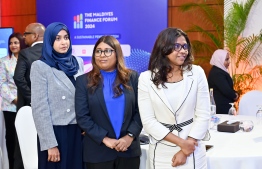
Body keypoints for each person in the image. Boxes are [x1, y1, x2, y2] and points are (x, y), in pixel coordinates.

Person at [138, 27, 210, 169]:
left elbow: (203, 114)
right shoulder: (146, 78)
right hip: (161, 151)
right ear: (164, 48)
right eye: (177, 46)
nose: (183, 51)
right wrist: (181, 144)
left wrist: (186, 148)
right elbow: (148, 122)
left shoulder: (197, 73)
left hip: (192, 149)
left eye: (185, 46)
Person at [75, 35, 142, 169]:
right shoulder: (83, 81)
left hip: (128, 151)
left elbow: (141, 111)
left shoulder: (132, 77)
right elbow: (83, 117)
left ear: (117, 53)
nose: (102, 55)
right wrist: (105, 139)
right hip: (98, 152)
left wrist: (129, 137)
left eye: (107, 51)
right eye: (98, 51)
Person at [30, 22, 84, 169]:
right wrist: (50, 144)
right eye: (58, 38)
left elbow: (83, 97)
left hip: (79, 131)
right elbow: (39, 108)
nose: (63, 42)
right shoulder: (40, 66)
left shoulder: (77, 62)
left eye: (66, 37)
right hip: (56, 133)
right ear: (49, 40)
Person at [13, 22, 45, 169]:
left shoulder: (25, 53)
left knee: (24, 145)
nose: (24, 37)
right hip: (49, 108)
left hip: (27, 108)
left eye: (26, 34)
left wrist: (33, 98)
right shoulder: (54, 52)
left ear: (35, 35)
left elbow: (18, 78)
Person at [0, 32, 26, 169]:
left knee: (24, 136)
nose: (13, 45)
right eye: (11, 43)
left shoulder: (27, 59)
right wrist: (14, 99)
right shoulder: (4, 61)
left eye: (16, 42)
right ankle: (11, 165)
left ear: (21, 43)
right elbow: (2, 83)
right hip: (10, 106)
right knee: (11, 137)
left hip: (26, 104)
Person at [208, 49, 239, 114]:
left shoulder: (219, 71)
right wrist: (235, 95)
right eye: (226, 59)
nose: (229, 62)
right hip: (221, 108)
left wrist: (236, 93)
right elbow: (226, 90)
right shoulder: (217, 73)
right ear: (219, 60)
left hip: (223, 107)